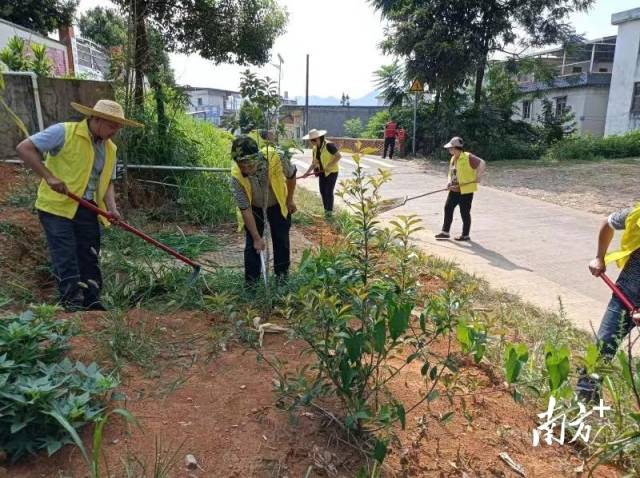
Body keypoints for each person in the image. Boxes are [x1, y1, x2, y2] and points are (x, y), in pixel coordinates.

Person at [15, 99, 142, 311]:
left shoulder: (110, 148)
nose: (115, 132)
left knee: (89, 254)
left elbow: (107, 181)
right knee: (65, 255)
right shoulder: (64, 132)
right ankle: (71, 303)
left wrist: (112, 208)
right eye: (112, 126)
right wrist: (49, 177)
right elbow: (24, 148)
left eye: (118, 127)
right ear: (97, 119)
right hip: (56, 207)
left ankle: (93, 301)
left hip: (89, 207)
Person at [577, 205, 640, 400]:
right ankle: (584, 404)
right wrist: (599, 257)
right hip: (625, 296)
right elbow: (608, 222)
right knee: (601, 351)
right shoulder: (636, 214)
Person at [230, 135, 297, 285]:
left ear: (258, 157)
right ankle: (252, 285)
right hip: (254, 208)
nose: (246, 170)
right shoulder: (236, 176)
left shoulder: (276, 157)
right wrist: (256, 237)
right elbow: (245, 208)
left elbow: (291, 176)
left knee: (281, 240)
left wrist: (290, 200)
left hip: (277, 204)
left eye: (249, 165)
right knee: (252, 246)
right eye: (242, 166)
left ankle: (282, 280)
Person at [435, 136, 486, 242]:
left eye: (450, 148)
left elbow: (482, 163)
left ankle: (465, 235)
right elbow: (450, 173)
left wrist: (478, 177)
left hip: (466, 190)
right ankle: (445, 232)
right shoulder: (453, 158)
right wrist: (449, 182)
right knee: (448, 208)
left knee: (464, 212)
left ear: (456, 148)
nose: (449, 150)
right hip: (454, 189)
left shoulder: (468, 157)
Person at [302, 129, 341, 218]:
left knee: (328, 192)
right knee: (322, 191)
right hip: (322, 173)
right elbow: (314, 162)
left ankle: (329, 213)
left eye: (311, 141)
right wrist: (306, 173)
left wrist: (329, 165)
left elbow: (338, 156)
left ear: (316, 139)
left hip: (332, 172)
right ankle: (326, 211)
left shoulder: (329, 145)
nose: (311, 143)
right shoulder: (315, 148)